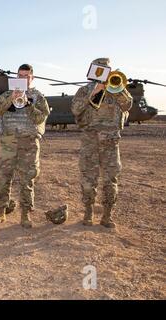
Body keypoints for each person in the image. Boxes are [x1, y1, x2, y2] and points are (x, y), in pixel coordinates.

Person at [71, 58, 133, 228]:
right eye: (100, 69)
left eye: (106, 69)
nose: (103, 72)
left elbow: (127, 105)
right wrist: (94, 92)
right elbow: (75, 109)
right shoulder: (84, 90)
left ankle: (107, 215)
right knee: (88, 177)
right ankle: (88, 211)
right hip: (89, 140)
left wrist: (117, 89)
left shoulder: (117, 86)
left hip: (111, 142)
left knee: (110, 179)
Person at [0, 64, 50, 228]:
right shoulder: (6, 95)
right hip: (8, 141)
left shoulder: (38, 97)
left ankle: (25, 214)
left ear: (32, 78)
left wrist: (28, 103)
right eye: (20, 75)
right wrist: (11, 98)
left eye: (26, 76)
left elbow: (40, 119)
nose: (22, 79)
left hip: (28, 142)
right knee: (4, 177)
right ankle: (0, 212)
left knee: (27, 179)